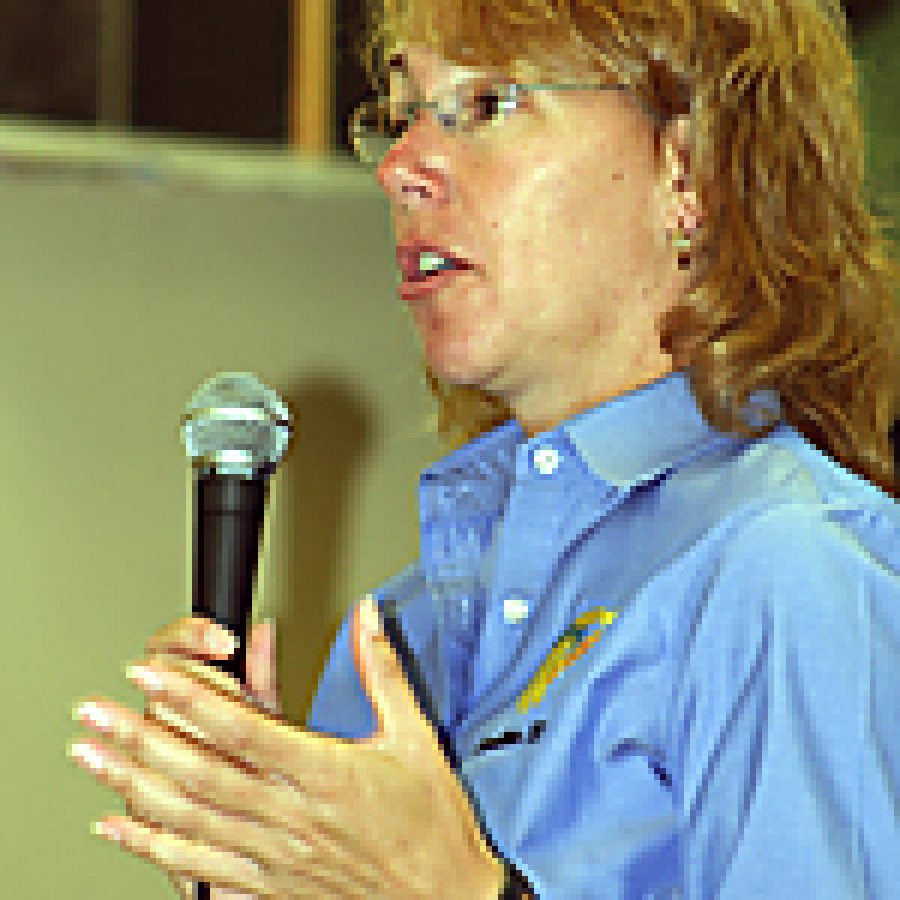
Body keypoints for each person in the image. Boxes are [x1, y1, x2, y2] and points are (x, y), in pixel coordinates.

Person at [67, 1, 899, 897]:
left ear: (688, 173)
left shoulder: (786, 568)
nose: (400, 167)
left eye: (489, 103)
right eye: (399, 115)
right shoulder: (397, 636)